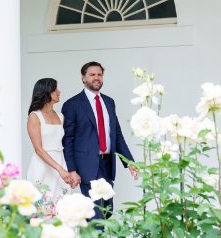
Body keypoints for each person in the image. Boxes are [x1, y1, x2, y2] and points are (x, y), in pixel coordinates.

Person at [62, 61, 138, 222]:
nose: (96, 78)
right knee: (96, 213)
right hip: (87, 167)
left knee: (106, 211)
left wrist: (129, 161)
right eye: (92, 75)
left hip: (107, 165)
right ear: (83, 78)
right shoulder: (72, 105)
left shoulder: (109, 102)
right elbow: (67, 140)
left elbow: (116, 134)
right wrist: (72, 169)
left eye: (99, 74)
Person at [25, 78, 74, 204]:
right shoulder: (34, 116)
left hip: (60, 161)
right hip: (42, 165)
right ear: (46, 92)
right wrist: (60, 169)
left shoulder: (60, 116)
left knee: (62, 203)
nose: (59, 91)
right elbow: (38, 149)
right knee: (41, 204)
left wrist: (67, 170)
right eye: (55, 89)